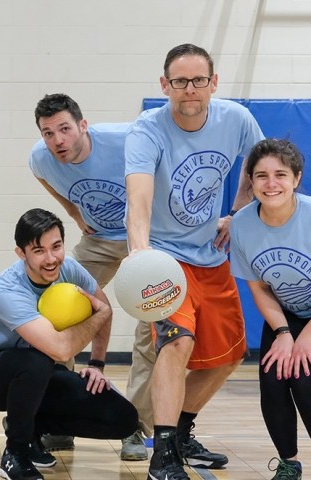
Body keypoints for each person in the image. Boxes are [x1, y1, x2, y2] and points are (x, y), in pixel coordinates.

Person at [125, 43, 264, 480]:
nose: (190, 90)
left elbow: (263, 163)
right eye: (180, 82)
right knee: (177, 343)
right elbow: (140, 194)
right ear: (165, 85)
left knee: (229, 355)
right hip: (164, 259)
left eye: (198, 80)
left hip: (210, 257)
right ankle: (162, 454)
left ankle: (181, 431)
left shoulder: (236, 119)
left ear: (214, 83)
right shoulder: (147, 129)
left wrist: (238, 212)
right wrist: (141, 250)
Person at [0, 208, 138, 480]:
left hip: (43, 371)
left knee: (123, 418)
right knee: (38, 360)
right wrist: (101, 314)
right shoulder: (8, 291)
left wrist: (96, 364)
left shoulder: (69, 268)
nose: (50, 259)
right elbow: (61, 348)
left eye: (56, 246)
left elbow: (103, 307)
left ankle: (29, 426)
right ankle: (16, 453)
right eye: (38, 251)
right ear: (21, 253)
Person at [30, 93, 152, 460]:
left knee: (153, 330)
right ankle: (61, 421)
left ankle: (135, 426)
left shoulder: (127, 138)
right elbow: (44, 177)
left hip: (145, 240)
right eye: (48, 133)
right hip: (98, 241)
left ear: (84, 125)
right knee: (53, 313)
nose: (58, 141)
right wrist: (74, 212)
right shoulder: (40, 157)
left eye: (65, 129)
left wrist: (144, 240)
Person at [230, 139, 309, 480]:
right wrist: (284, 333)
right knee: (274, 377)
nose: (271, 183)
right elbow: (259, 287)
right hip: (286, 314)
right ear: (251, 180)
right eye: (261, 175)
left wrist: (306, 338)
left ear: (296, 178)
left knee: (305, 379)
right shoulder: (242, 225)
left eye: (280, 174)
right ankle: (289, 463)